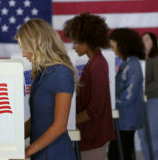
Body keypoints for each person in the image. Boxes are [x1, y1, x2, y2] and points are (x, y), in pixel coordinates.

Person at [16, 18, 76, 160]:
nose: (24, 54)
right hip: (39, 151)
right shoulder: (42, 73)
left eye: (26, 48)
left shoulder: (61, 73)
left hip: (55, 153)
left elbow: (59, 126)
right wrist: (11, 141)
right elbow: (35, 120)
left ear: (38, 45)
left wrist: (28, 151)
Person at [63, 13, 115, 160]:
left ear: (88, 40)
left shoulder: (97, 65)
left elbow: (95, 109)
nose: (73, 46)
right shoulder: (94, 62)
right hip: (91, 134)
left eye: (76, 42)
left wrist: (67, 122)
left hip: (94, 135)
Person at [107, 28, 146, 160]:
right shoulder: (126, 63)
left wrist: (111, 102)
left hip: (127, 118)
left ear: (123, 45)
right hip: (122, 117)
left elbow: (130, 94)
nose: (112, 50)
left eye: (113, 46)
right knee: (116, 152)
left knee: (120, 153)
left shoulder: (133, 64)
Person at [138, 32, 158, 160]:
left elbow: (157, 82)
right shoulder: (139, 59)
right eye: (143, 40)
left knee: (155, 134)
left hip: (154, 100)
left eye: (147, 40)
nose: (144, 42)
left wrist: (140, 91)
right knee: (143, 135)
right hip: (140, 102)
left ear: (153, 43)